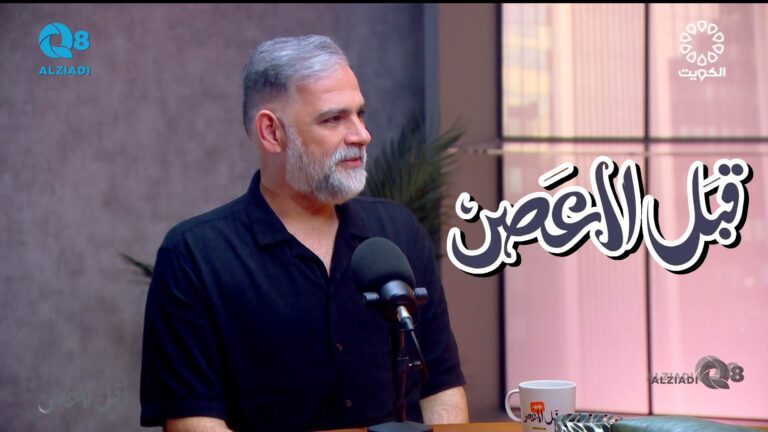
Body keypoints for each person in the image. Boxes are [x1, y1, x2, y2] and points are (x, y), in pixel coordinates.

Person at [140, 34, 468, 431]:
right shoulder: (194, 257)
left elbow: (441, 386)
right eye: (333, 119)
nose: (361, 135)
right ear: (271, 132)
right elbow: (193, 421)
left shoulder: (398, 232)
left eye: (360, 114)